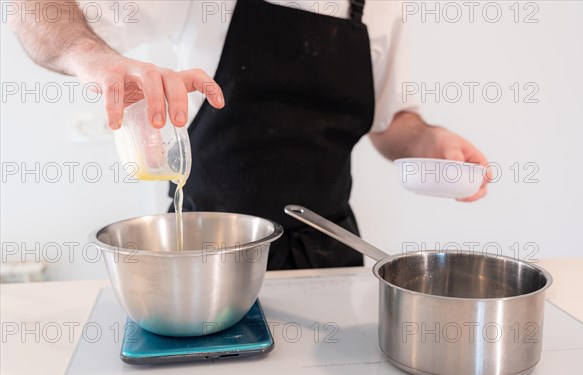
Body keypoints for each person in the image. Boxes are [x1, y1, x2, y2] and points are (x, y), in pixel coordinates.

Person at [11, 0, 490, 270]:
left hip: (330, 259)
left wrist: (429, 141)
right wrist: (95, 60)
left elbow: (392, 124)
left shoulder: (381, 7)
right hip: (204, 263)